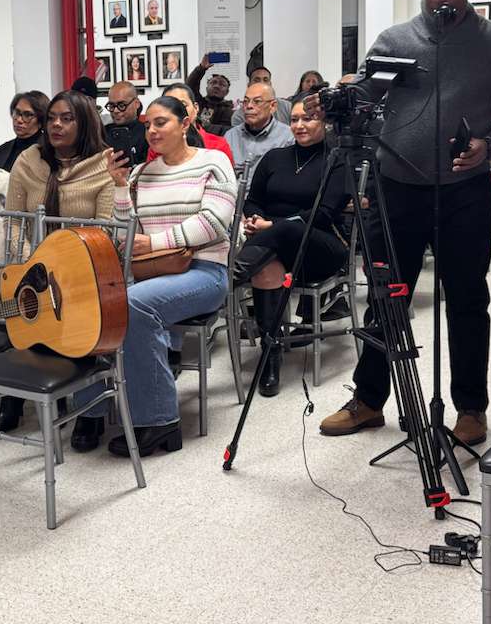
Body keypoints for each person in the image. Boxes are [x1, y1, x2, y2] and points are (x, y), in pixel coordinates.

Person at [310, 0, 491, 445]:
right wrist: (338, 100)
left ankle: (471, 408)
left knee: (467, 300)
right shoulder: (394, 39)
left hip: (464, 190)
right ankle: (369, 399)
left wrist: (489, 143)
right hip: (397, 188)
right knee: (386, 297)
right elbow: (365, 91)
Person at [71, 95, 236, 456]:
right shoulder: (141, 174)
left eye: (161, 123)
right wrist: (119, 185)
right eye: (148, 125)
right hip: (152, 272)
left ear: (185, 124)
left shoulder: (213, 161)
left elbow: (212, 222)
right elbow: (126, 232)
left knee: (134, 304)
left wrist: (156, 242)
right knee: (90, 300)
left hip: (205, 271)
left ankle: (160, 422)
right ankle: (92, 410)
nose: (152, 131)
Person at [0, 90, 115, 432]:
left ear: (85, 123)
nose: (56, 125)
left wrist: (61, 269)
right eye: (51, 118)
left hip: (84, 271)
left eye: (67, 118)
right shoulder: (29, 160)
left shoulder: (104, 164)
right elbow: (14, 221)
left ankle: (89, 411)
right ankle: (17, 392)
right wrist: (30, 268)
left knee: (79, 315)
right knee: (23, 304)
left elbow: (105, 231)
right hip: (32, 268)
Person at [233, 101, 350, 396]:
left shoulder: (336, 160)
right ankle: (270, 352)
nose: (299, 125)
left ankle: (232, 274)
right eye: (295, 119)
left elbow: (324, 214)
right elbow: (253, 200)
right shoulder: (275, 157)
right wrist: (255, 218)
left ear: (325, 122)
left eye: (308, 119)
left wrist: (270, 225)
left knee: (287, 228)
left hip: (321, 247)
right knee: (265, 270)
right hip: (274, 249)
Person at [224, 82, 295, 179]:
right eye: (245, 101)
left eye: (257, 101)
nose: (249, 106)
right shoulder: (230, 136)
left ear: (272, 106)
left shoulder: (288, 137)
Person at [157, 83, 234, 164]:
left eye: (183, 105)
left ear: (196, 108)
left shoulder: (218, 145)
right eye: (169, 107)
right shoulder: (159, 146)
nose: (177, 112)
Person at [0, 91, 48, 176]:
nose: (19, 120)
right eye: (17, 113)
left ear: (41, 120)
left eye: (27, 115)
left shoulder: (48, 151)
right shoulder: (1, 151)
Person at [104, 81, 149, 166]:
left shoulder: (147, 133)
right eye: (112, 106)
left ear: (136, 103)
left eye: (121, 105)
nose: (116, 111)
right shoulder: (101, 133)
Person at [186, 55, 234, 134]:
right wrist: (201, 68)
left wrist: (200, 127)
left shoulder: (229, 110)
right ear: (206, 87)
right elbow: (190, 86)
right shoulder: (198, 103)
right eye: (213, 83)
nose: (216, 86)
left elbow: (225, 131)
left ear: (227, 92)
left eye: (222, 84)